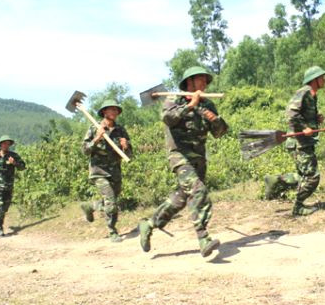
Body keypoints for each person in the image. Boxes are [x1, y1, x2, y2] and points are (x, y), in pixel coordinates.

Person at [139, 66, 228, 257]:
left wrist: (216, 120)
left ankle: (149, 224)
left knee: (180, 199)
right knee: (198, 191)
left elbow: (220, 133)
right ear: (190, 82)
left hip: (199, 159)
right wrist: (189, 105)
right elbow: (168, 118)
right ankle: (203, 238)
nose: (204, 84)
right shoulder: (174, 100)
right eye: (201, 80)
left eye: (206, 80)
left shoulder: (208, 105)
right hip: (180, 157)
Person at [264, 66, 325, 216]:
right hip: (299, 142)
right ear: (314, 79)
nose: (324, 80)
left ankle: (276, 180)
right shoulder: (304, 92)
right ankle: (298, 206)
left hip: (305, 142)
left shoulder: (312, 95)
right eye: (322, 77)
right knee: (312, 177)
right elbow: (291, 113)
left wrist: (315, 119)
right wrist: (304, 127)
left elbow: (303, 114)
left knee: (302, 176)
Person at [81, 100, 132, 242]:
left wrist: (126, 146)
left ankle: (91, 206)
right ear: (104, 112)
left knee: (112, 201)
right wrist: (97, 138)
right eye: (111, 110)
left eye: (116, 110)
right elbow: (85, 150)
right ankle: (112, 231)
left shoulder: (120, 130)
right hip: (99, 171)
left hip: (115, 171)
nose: (114, 112)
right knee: (110, 201)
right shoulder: (94, 128)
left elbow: (129, 155)